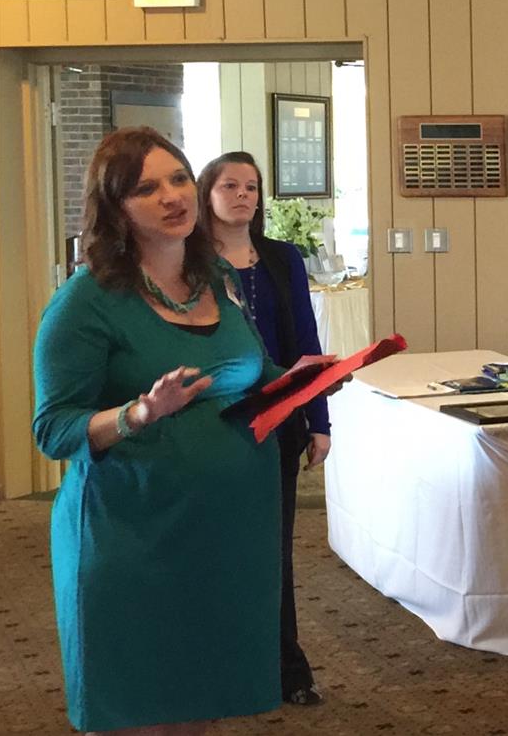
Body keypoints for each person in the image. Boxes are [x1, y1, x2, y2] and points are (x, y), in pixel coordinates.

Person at [33, 128, 285, 733]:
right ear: (115, 206)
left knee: (203, 696)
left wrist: (303, 377)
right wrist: (137, 414)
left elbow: (243, 373)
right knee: (139, 704)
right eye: (147, 188)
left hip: (224, 533)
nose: (173, 197)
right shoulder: (85, 302)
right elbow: (54, 429)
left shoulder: (215, 278)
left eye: (177, 178)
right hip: (132, 535)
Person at [195, 151, 333, 708]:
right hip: (211, 423)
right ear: (208, 193)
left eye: (252, 187)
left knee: (273, 551)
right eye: (230, 185)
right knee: (214, 547)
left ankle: (286, 666)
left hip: (279, 422)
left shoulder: (282, 259)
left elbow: (306, 339)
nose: (243, 195)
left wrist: (319, 421)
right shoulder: (190, 260)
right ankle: (214, 663)